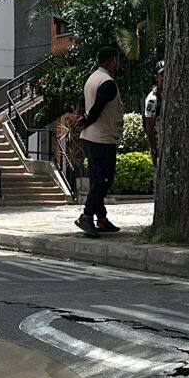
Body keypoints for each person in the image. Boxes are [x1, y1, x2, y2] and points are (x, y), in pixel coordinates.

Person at [75, 46, 124, 237]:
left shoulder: (92, 78)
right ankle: (86, 216)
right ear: (112, 60)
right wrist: (86, 120)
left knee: (98, 179)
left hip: (92, 137)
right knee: (104, 180)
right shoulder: (108, 82)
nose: (118, 64)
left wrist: (82, 119)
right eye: (117, 60)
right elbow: (96, 109)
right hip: (102, 138)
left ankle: (101, 219)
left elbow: (84, 103)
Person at [143, 60, 164, 209]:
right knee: (159, 181)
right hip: (159, 143)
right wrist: (153, 148)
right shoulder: (152, 99)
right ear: (156, 77)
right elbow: (149, 126)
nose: (165, 77)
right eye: (162, 74)